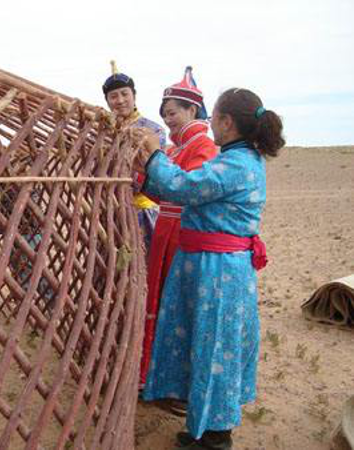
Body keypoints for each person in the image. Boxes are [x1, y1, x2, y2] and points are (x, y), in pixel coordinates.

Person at [133, 87, 285, 449]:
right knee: (206, 343)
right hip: (211, 267)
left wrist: (153, 154)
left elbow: (182, 186)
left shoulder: (235, 164)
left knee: (216, 346)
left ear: (227, 122)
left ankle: (216, 437)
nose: (210, 122)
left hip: (219, 272)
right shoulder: (237, 158)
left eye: (213, 116)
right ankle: (205, 427)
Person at [139, 67, 217, 391]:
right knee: (160, 302)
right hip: (166, 232)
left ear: (192, 110)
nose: (168, 120)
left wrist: (154, 159)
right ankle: (155, 376)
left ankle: (176, 384)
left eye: (173, 113)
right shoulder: (175, 149)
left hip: (183, 236)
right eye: (165, 115)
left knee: (178, 308)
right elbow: (161, 193)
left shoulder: (204, 147)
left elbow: (184, 189)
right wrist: (139, 174)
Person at [103, 61, 166, 257]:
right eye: (113, 96)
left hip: (142, 211)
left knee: (144, 263)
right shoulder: (103, 132)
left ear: (134, 96)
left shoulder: (153, 130)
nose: (120, 100)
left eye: (125, 94)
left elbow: (154, 171)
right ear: (107, 101)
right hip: (110, 211)